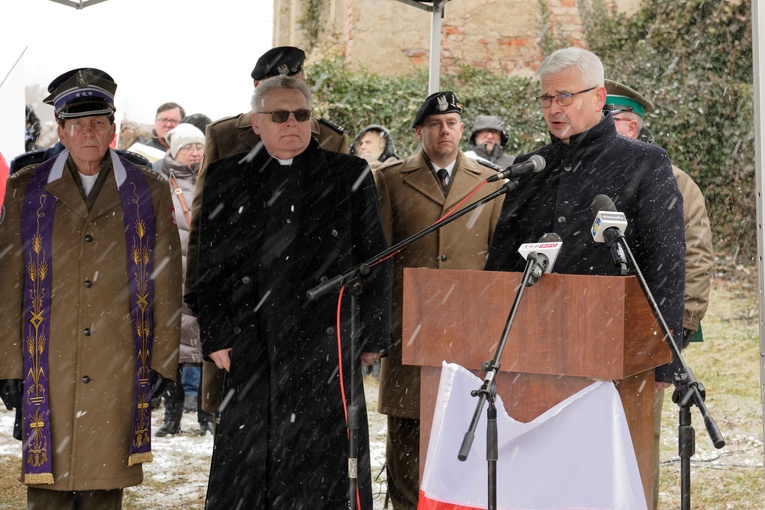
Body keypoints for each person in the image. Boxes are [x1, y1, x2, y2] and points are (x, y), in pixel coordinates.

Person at [484, 47, 686, 503]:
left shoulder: (644, 163)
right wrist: (488, 334)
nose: (554, 108)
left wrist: (664, 357)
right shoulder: (532, 167)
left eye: (565, 97)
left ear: (598, 97)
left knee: (608, 485)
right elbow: (499, 262)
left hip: (615, 356)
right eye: (546, 99)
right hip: (532, 356)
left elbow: (666, 264)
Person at [195, 75, 392, 509]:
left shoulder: (348, 175)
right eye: (279, 115)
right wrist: (217, 335)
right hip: (251, 341)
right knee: (249, 465)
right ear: (257, 123)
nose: (291, 123)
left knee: (324, 465)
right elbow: (208, 266)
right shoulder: (229, 177)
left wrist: (373, 336)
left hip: (327, 343)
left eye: (301, 115)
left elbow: (375, 258)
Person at [0, 68, 181, 509]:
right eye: (77, 124)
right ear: (59, 131)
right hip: (48, 363)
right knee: (48, 490)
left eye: (98, 122)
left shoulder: (147, 188)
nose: (88, 133)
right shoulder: (27, 188)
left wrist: (163, 359)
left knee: (104, 489)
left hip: (119, 361)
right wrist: (8, 364)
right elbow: (8, 283)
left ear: (113, 130)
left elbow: (167, 278)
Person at [188, 45, 350, 417]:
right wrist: (206, 309)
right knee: (242, 415)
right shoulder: (226, 134)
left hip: (308, 300)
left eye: (295, 81)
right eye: (277, 84)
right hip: (242, 298)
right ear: (259, 88)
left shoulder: (328, 137)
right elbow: (204, 226)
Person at [374, 91, 505, 510]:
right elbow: (380, 262)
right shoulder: (391, 180)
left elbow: (499, 263)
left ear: (462, 129)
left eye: (451, 123)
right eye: (434, 124)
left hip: (471, 332)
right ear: (419, 131)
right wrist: (380, 329)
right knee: (408, 438)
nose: (444, 131)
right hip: (409, 329)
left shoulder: (490, 182)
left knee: (461, 434)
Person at [604, 78, 715, 510]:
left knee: (637, 440)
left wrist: (679, 328)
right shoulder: (577, 173)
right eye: (605, 122)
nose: (612, 132)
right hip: (582, 327)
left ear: (637, 128)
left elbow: (697, 257)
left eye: (621, 124)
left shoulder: (675, 181)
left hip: (648, 331)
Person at [155, 123, 215, 437]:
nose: (194, 151)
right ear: (174, 151)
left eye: (198, 146)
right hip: (172, 279)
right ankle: (172, 418)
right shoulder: (161, 181)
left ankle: (207, 417)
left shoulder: (213, 178)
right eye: (187, 147)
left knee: (209, 351)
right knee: (173, 354)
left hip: (203, 278)